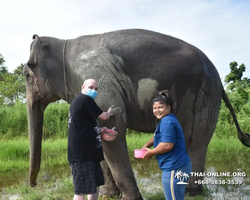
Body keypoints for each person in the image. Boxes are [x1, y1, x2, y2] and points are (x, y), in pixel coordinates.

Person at [68, 78, 122, 200]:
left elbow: (83, 126)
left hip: (90, 154)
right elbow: (103, 116)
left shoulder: (81, 102)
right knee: (81, 190)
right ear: (83, 87)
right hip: (81, 155)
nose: (94, 90)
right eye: (91, 87)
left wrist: (100, 130)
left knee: (94, 186)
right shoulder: (85, 99)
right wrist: (109, 112)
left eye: (96, 89)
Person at [142, 90, 192, 200]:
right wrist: (146, 144)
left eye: (160, 107)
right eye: (155, 108)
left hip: (174, 168)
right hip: (181, 165)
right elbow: (158, 136)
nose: (157, 110)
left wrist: (151, 152)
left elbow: (167, 145)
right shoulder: (169, 119)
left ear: (168, 107)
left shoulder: (167, 122)